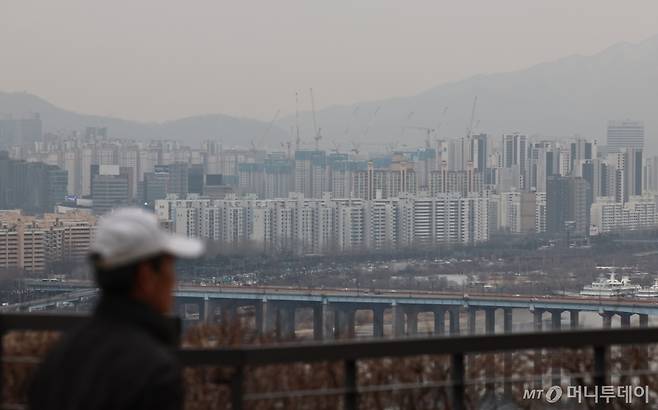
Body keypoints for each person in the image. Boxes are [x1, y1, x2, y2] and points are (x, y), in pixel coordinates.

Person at [29, 207, 204, 410]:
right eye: (169, 267)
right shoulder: (153, 370)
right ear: (146, 275)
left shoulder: (58, 357)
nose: (174, 280)